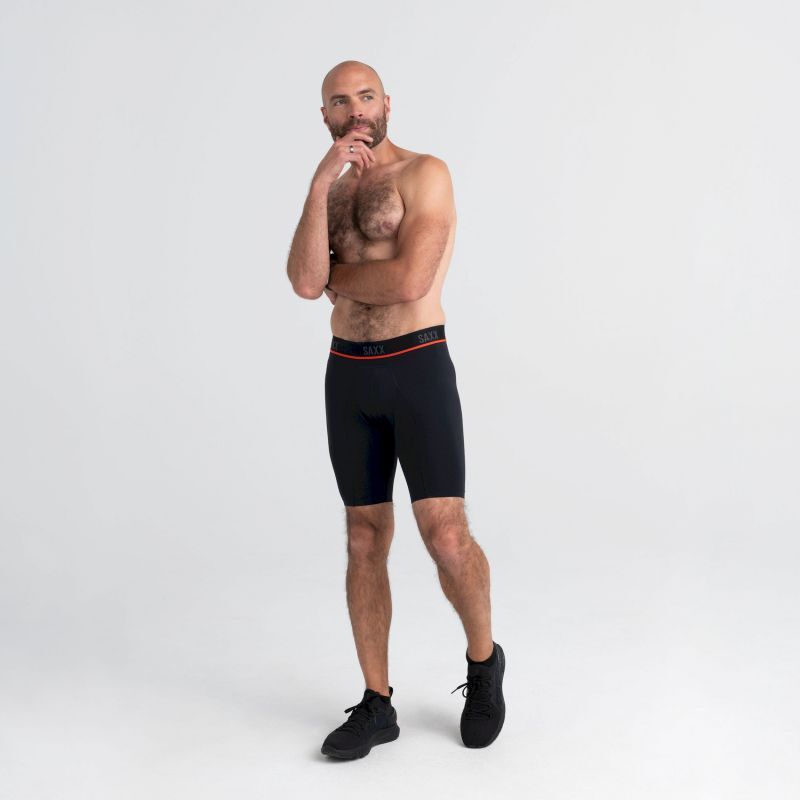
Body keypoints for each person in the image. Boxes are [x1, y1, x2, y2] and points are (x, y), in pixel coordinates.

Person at [286, 60, 506, 759]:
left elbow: (411, 279)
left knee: (445, 535)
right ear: (325, 116)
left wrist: (340, 276)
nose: (354, 109)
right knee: (363, 539)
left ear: (387, 103)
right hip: (348, 375)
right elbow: (304, 283)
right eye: (339, 101)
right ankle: (377, 703)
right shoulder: (331, 191)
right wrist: (318, 186)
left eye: (365, 96)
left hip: (417, 366)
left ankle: (484, 663)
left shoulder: (425, 174)